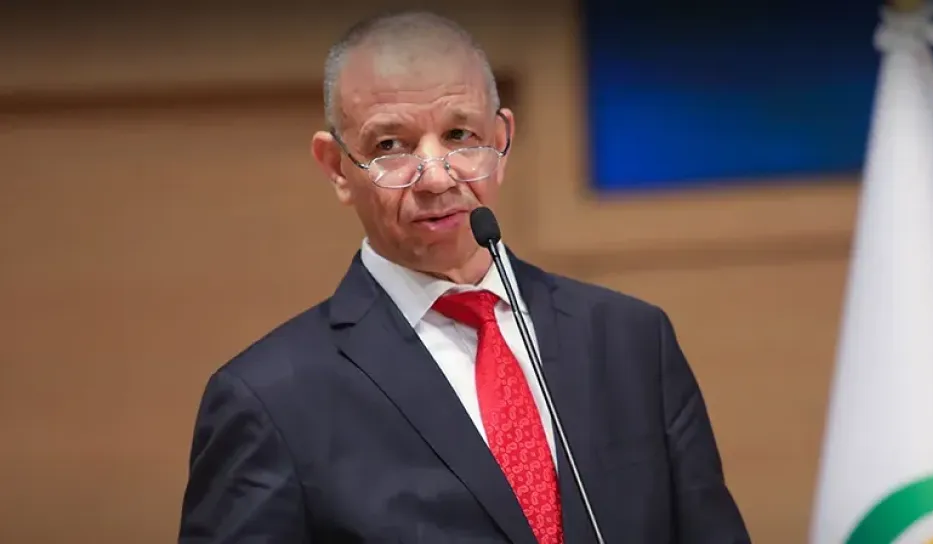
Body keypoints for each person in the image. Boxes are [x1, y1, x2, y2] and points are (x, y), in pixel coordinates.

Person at [178, 10, 750, 544]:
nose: (436, 178)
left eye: (459, 137)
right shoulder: (270, 399)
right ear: (337, 169)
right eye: (391, 146)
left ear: (501, 140)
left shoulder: (632, 341)